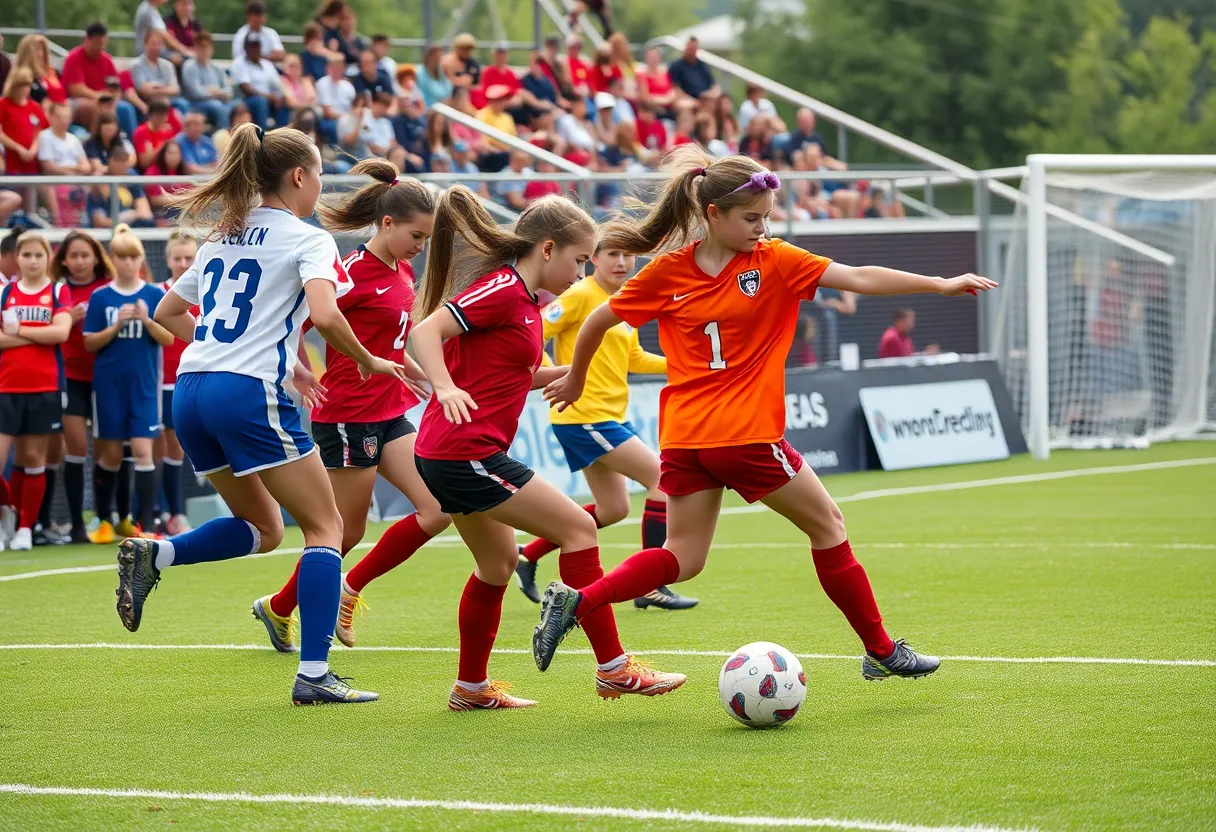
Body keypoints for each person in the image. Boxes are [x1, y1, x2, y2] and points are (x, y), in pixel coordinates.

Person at [533, 147, 996, 679]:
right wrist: (939, 284)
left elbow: (596, 322)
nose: (762, 227)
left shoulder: (666, 271)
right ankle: (882, 650)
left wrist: (575, 375)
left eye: (767, 217)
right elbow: (860, 278)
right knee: (828, 526)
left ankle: (580, 600)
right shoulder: (774, 262)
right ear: (713, 214)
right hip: (746, 436)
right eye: (751, 218)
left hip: (685, 439)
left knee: (683, 558)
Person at [137, 123, 407, 705]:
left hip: (190, 389)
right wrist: (370, 361)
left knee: (264, 530)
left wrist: (269, 361)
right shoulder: (308, 239)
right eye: (318, 176)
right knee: (327, 528)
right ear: (300, 176)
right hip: (246, 394)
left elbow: (167, 311)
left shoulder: (221, 236)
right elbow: (328, 317)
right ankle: (314, 674)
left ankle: (157, 553)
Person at [408, 186, 686, 709]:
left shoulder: (526, 301)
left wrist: (569, 374)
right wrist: (444, 386)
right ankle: (615, 671)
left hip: (451, 451)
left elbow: (514, 372)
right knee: (580, 529)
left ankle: (470, 689)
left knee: (497, 566)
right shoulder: (504, 289)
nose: (581, 274)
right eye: (580, 260)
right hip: (463, 451)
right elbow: (425, 333)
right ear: (548, 249)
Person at [254, 159, 448, 650]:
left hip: (390, 409)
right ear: (387, 224)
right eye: (416, 236)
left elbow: (392, 338)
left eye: (425, 239)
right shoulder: (350, 272)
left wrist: (416, 372)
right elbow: (293, 321)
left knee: (437, 508)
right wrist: (298, 371)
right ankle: (278, 607)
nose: (420, 248)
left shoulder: (401, 269)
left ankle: (348, 588)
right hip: (347, 416)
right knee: (343, 531)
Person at [514, 243, 696, 611]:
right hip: (584, 415)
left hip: (606, 416)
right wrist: (556, 371)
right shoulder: (582, 294)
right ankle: (652, 585)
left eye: (628, 255)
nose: (622, 262)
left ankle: (527, 556)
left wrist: (684, 365)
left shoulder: (624, 301)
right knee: (663, 479)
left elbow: (634, 358)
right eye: (612, 253)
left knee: (614, 509)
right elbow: (535, 328)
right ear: (593, 259)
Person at [84, 225, 173, 538]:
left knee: (143, 451)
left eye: (133, 256)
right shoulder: (101, 297)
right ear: (113, 260)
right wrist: (117, 325)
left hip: (144, 387)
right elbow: (89, 343)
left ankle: (145, 525)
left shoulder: (153, 294)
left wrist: (147, 320)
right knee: (109, 455)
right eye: (121, 257)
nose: (128, 263)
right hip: (109, 387)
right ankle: (106, 519)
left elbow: (168, 338)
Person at [0, 232, 72, 552]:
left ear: (48, 257)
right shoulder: (6, 293)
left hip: (44, 387)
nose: (32, 260)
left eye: (38, 255)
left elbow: (62, 332)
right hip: (6, 386)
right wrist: (41, 336)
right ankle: (7, 516)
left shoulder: (58, 290)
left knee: (32, 459)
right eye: (26, 255)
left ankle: (25, 528)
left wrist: (20, 332)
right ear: (17, 257)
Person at [48, 229, 113, 543]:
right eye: (72, 255)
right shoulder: (57, 291)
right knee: (75, 448)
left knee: (109, 449)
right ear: (63, 259)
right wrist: (66, 318)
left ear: (96, 258)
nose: (78, 261)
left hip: (105, 379)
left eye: (84, 255)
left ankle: (107, 518)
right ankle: (75, 525)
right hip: (70, 379)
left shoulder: (106, 289)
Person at [153, 231, 197, 535]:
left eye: (188, 258)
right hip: (159, 382)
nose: (183, 264)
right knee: (156, 449)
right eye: (177, 258)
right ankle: (161, 511)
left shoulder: (211, 290)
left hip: (192, 379)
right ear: (167, 260)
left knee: (177, 449)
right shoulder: (157, 293)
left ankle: (174, 511)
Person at [61, 23, 139, 139]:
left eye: (103, 44)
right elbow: (76, 89)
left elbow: (116, 86)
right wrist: (99, 96)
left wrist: (113, 100)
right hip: (77, 101)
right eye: (97, 44)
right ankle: (97, 144)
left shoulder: (106, 59)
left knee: (126, 108)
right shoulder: (74, 58)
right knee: (98, 108)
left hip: (104, 100)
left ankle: (129, 145)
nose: (101, 48)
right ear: (87, 40)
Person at [231, 37, 289, 131]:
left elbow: (277, 85)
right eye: (251, 47)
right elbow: (246, 88)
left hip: (268, 100)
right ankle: (262, 134)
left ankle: (283, 135)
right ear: (246, 48)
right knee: (260, 101)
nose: (255, 50)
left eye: (257, 47)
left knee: (284, 101)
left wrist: (279, 96)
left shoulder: (267, 64)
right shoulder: (239, 63)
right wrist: (268, 97)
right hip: (246, 100)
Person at [181, 32, 233, 130]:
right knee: (217, 106)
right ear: (195, 48)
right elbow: (196, 93)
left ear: (212, 49)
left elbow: (229, 91)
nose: (204, 50)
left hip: (218, 101)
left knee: (238, 107)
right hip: (196, 104)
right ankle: (223, 140)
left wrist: (216, 91)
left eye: (207, 47)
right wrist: (216, 92)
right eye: (201, 47)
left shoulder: (216, 68)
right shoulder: (189, 66)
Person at [12, 35, 67, 109]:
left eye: (43, 49)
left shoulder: (53, 72)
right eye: (36, 50)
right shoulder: (21, 76)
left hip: (61, 112)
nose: (40, 54)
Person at [315, 54, 356, 145]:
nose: (337, 69)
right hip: (329, 120)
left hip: (347, 118)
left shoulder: (348, 86)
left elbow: (353, 107)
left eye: (340, 66)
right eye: (334, 66)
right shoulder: (322, 83)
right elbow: (328, 112)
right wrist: (346, 117)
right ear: (328, 67)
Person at [132, 98, 179, 170]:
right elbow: (144, 163)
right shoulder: (141, 132)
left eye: (164, 114)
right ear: (150, 115)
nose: (162, 118)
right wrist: (164, 145)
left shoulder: (168, 132)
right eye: (159, 115)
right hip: (150, 173)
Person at [667, 38, 719, 102]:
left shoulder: (702, 65)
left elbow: (713, 84)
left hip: (706, 99)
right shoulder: (676, 66)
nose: (690, 51)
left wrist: (712, 94)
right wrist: (692, 100)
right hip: (687, 100)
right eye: (689, 48)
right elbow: (675, 88)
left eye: (693, 48)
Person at [163, 0, 202, 66]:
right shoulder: (169, 22)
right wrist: (186, 51)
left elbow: (202, 42)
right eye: (183, 4)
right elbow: (170, 42)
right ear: (176, 5)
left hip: (193, 58)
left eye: (189, 4)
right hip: (175, 59)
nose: (187, 7)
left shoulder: (196, 24)